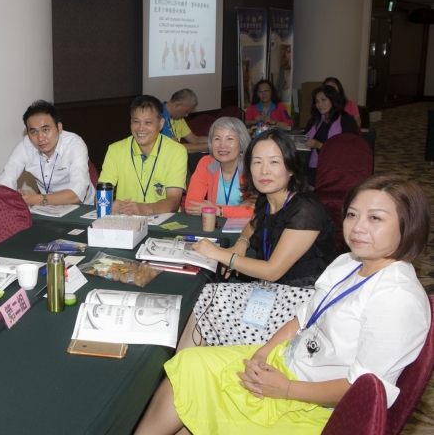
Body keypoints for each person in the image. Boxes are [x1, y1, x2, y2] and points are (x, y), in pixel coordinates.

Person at [135, 174, 431, 435]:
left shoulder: (396, 298)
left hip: (316, 404)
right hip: (288, 362)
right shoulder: (349, 262)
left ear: (408, 226)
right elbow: (302, 320)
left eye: (375, 218)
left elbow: (364, 391)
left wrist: (287, 389)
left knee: (192, 398)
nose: (357, 227)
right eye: (352, 214)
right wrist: (263, 353)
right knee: (189, 366)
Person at [180, 130, 337, 348]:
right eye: (257, 162)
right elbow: (252, 226)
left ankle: (193, 361)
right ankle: (186, 363)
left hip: (301, 302)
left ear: (291, 167)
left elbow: (273, 271)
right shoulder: (267, 198)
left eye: (274, 162)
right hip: (272, 290)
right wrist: (241, 244)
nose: (264, 171)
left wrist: (220, 254)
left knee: (210, 304)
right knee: (205, 296)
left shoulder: (306, 210)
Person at [99, 95, 187, 215]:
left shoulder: (177, 151)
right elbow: (100, 193)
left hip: (163, 220)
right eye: (136, 121)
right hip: (125, 220)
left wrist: (146, 209)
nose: (141, 128)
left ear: (161, 124)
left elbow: (174, 200)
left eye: (148, 122)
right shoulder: (115, 150)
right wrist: (109, 204)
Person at [0, 100, 95, 205]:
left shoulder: (74, 145)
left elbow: (76, 195)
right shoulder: (25, 147)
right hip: (47, 207)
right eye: (33, 132)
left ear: (59, 127)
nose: (40, 138)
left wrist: (38, 199)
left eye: (46, 130)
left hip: (83, 207)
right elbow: (5, 180)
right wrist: (3, 193)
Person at [183, 117, 256, 219]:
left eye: (229, 139)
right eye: (217, 139)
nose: (222, 145)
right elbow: (191, 206)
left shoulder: (252, 166)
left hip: (245, 226)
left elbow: (257, 210)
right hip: (214, 225)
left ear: (241, 143)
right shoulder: (206, 163)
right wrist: (236, 209)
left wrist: (219, 210)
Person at [303, 84, 361, 187]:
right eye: (317, 101)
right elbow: (304, 138)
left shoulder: (346, 120)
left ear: (333, 100)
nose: (320, 104)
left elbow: (349, 149)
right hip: (316, 165)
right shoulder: (315, 120)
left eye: (323, 100)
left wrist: (320, 145)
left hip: (339, 167)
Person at [161, 88, 209, 153]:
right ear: (178, 105)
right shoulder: (159, 117)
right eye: (187, 111)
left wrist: (216, 140)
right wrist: (211, 146)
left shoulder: (178, 117)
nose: (186, 115)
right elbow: (176, 147)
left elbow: (195, 140)